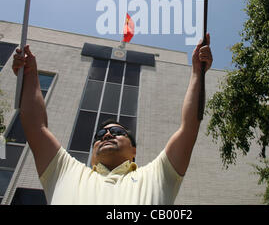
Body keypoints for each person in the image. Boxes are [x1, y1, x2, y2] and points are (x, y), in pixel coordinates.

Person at [12, 35, 213, 205]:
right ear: (92, 150)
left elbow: (189, 128)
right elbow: (36, 127)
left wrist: (197, 72)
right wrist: (29, 75)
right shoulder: (64, 171)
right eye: (100, 134)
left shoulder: (158, 175)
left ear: (134, 150)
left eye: (117, 132)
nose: (107, 134)